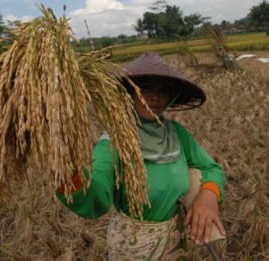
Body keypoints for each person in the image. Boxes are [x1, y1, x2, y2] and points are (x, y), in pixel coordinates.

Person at [56, 52, 226, 260]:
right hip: (132, 249)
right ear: (128, 92)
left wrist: (208, 196)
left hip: (174, 243)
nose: (155, 96)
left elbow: (211, 168)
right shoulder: (115, 142)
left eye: (163, 90)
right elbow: (96, 199)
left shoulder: (177, 134)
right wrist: (66, 171)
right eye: (145, 88)